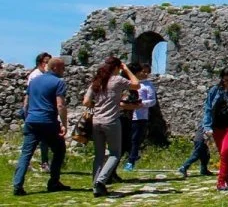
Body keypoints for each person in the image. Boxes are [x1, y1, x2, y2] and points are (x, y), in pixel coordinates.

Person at [12, 57, 70, 197]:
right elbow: (60, 105)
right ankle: (54, 182)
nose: (64, 70)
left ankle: (17, 185)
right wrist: (64, 124)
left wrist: (28, 118)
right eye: (63, 67)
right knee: (59, 150)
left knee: (26, 154)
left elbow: (26, 103)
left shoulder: (34, 81)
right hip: (48, 122)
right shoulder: (58, 82)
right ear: (55, 68)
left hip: (32, 120)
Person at [82, 56, 139, 197]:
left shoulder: (97, 81)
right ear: (116, 67)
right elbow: (136, 84)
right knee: (114, 154)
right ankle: (101, 182)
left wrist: (99, 105)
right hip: (111, 120)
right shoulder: (117, 80)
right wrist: (126, 69)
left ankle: (96, 186)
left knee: (99, 155)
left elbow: (86, 101)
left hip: (96, 121)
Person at [20, 52, 53, 175]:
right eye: (46, 62)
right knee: (34, 141)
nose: (48, 64)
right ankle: (33, 163)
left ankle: (42, 163)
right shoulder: (35, 76)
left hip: (38, 112)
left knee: (42, 140)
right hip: (35, 112)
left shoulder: (45, 75)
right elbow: (29, 96)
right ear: (40, 63)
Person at [124, 62, 157, 171]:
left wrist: (141, 103)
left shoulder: (148, 85)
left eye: (147, 72)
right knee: (126, 138)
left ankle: (131, 161)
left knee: (135, 139)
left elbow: (152, 101)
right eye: (143, 71)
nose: (145, 74)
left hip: (140, 115)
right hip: (126, 114)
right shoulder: (129, 83)